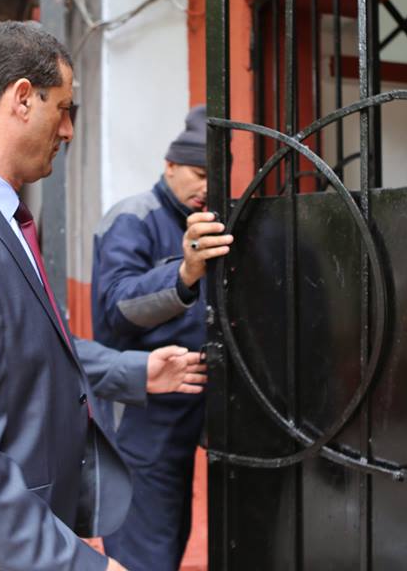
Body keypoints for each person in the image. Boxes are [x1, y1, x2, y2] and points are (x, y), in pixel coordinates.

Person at [0, 21, 207, 571]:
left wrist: (135, 370)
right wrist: (80, 566)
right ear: (22, 98)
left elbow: (29, 348)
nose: (69, 130)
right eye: (65, 109)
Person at [91, 105, 233, 571]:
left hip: (196, 403)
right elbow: (115, 310)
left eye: (215, 177)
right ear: (170, 165)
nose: (206, 187)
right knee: (145, 549)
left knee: (172, 536)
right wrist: (184, 272)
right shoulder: (132, 217)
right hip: (142, 411)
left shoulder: (210, 221)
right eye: (198, 174)